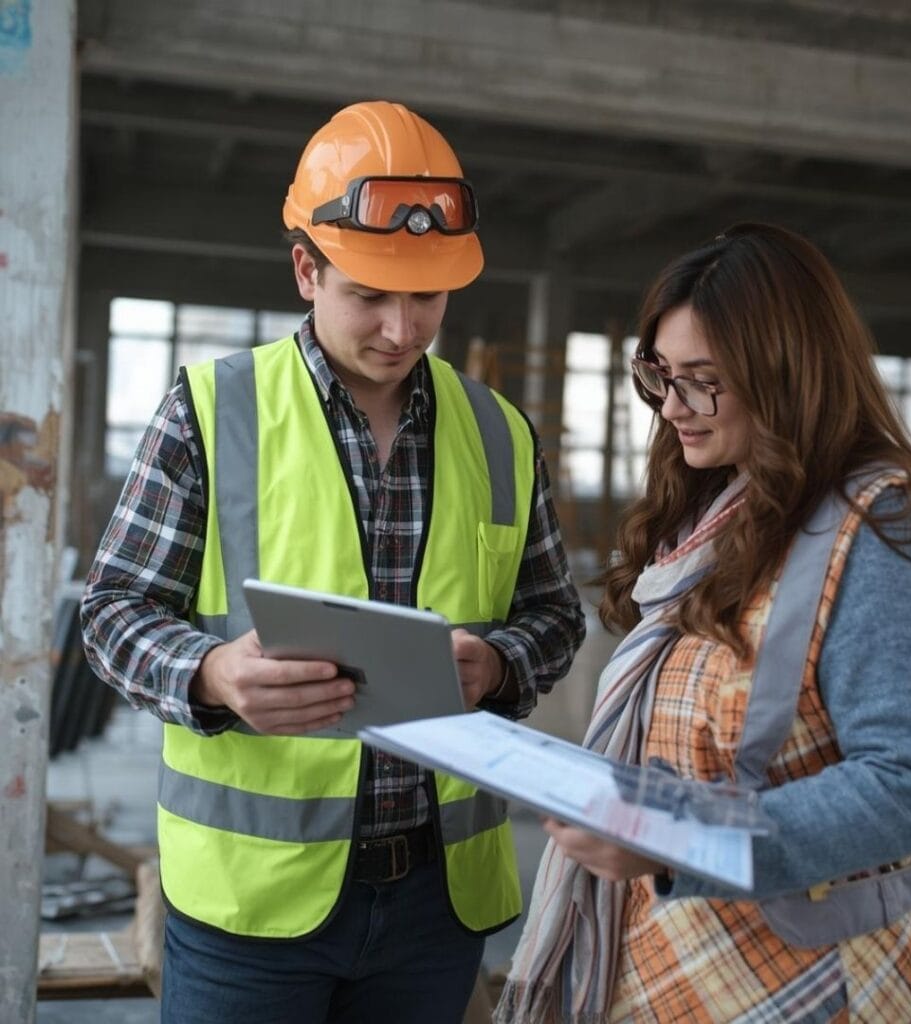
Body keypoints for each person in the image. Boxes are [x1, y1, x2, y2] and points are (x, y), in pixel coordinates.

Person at [80, 100, 585, 1024]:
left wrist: (504, 662)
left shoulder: (501, 434)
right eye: (369, 295)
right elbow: (113, 609)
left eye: (426, 296)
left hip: (438, 904)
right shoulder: (211, 411)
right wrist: (208, 673)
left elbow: (555, 613)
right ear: (307, 269)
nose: (401, 329)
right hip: (250, 908)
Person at [496, 222, 911, 1024]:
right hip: (675, 962)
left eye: (703, 380)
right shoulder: (727, 515)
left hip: (814, 981)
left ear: (789, 373)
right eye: (659, 375)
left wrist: (675, 835)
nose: (672, 407)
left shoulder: (893, 533)